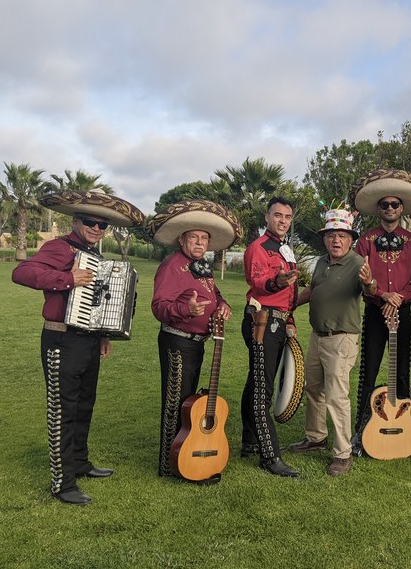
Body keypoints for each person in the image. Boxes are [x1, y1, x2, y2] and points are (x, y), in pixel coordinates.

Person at [12, 189, 144, 505]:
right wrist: (67, 278)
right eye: (90, 222)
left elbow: (96, 301)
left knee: (85, 405)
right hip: (61, 339)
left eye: (103, 225)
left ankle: (81, 462)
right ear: (76, 221)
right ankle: (63, 483)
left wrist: (102, 335)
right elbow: (22, 272)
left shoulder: (94, 254)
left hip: (87, 339)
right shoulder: (60, 248)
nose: (97, 229)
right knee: (63, 411)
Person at [148, 200, 241, 479]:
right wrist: (185, 310)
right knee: (175, 402)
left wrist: (222, 305)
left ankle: (186, 454)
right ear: (182, 239)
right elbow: (158, 307)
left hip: (197, 343)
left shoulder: (201, 266)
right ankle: (170, 464)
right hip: (177, 341)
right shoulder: (172, 266)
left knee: (189, 403)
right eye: (194, 237)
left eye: (204, 238)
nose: (200, 242)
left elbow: (215, 294)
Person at [287, 206, 376, 476]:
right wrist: (288, 304)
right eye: (331, 235)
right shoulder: (322, 262)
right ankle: (316, 437)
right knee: (314, 388)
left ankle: (342, 453)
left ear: (351, 239)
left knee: (337, 397)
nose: (336, 240)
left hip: (341, 339)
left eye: (341, 235)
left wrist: (370, 282)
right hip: (317, 336)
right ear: (324, 238)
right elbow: (314, 291)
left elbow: (369, 289)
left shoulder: (359, 264)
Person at [348, 169, 411, 455]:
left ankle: (406, 428)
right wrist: (383, 295)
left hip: (401, 314)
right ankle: (359, 432)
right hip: (374, 313)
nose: (390, 209)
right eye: (385, 204)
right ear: (379, 209)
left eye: (395, 204)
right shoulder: (365, 241)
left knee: (402, 371)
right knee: (367, 372)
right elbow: (359, 275)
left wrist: (400, 298)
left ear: (402, 208)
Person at [240, 196, 301, 477]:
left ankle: (249, 441)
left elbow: (289, 293)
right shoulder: (259, 247)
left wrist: (290, 319)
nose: (283, 221)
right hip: (261, 320)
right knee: (262, 389)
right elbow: (259, 283)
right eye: (278, 215)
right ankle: (270, 455)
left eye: (288, 217)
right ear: (267, 217)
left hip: (277, 321)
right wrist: (276, 281)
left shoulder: (285, 249)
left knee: (257, 380)